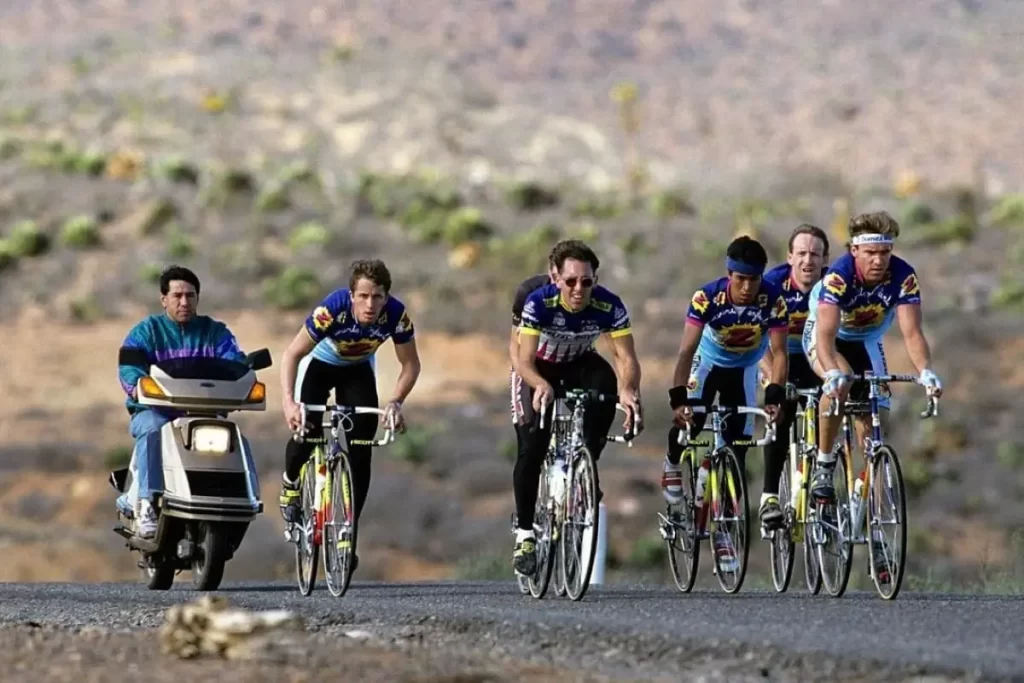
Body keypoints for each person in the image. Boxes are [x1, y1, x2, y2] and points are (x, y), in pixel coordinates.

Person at [277, 258, 421, 571]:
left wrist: (396, 401)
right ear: (352, 295)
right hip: (318, 367)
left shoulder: (396, 315)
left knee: (361, 448)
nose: (370, 305)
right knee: (307, 431)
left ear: (386, 297)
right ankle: (290, 485)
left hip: (357, 371)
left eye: (377, 297)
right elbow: (292, 354)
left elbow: (411, 365)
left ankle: (347, 532)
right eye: (364, 296)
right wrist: (289, 402)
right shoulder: (332, 310)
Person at [511, 240, 642, 576]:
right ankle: (525, 534)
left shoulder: (608, 305)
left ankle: (585, 467)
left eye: (586, 281)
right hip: (538, 368)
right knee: (532, 446)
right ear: (557, 279)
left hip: (579, 362)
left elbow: (626, 357)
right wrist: (540, 384)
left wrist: (629, 390)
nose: (578, 289)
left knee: (607, 387)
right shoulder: (537, 301)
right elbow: (522, 359)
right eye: (571, 281)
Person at [662, 236, 788, 550]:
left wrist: (774, 396)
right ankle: (672, 464)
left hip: (744, 369)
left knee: (738, 450)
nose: (747, 287)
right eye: (740, 279)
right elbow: (686, 350)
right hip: (708, 365)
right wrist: (679, 400)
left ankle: (726, 533)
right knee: (691, 422)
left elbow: (780, 353)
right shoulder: (707, 297)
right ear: (729, 275)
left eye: (754, 280)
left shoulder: (774, 299)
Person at [116, 265, 249, 538]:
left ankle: (240, 500)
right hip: (155, 412)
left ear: (198, 298)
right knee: (153, 429)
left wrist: (244, 374)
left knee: (233, 437)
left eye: (190, 295)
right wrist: (138, 385)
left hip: (203, 413)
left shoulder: (215, 332)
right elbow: (129, 366)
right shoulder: (147, 331)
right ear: (163, 298)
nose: (184, 302)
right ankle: (146, 504)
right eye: (177, 295)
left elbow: (234, 360)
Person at [756, 225, 830, 531]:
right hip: (775, 355)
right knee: (782, 408)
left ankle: (825, 472)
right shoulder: (771, 285)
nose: (807, 260)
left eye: (814, 254)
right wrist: (773, 377)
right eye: (801, 253)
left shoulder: (832, 285)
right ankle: (769, 496)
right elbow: (756, 341)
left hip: (816, 356)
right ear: (790, 257)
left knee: (834, 403)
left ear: (825, 260)